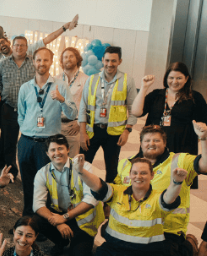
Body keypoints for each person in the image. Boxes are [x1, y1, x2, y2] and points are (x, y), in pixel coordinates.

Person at [77, 153, 185, 256]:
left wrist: (176, 182)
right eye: (135, 172)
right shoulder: (118, 191)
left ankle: (184, 253)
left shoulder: (157, 197)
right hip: (112, 250)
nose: (138, 176)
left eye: (143, 173)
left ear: (152, 175)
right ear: (130, 174)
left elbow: (169, 198)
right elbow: (97, 184)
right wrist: (81, 171)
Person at [114, 123, 207, 256]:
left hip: (167, 232)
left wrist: (203, 139)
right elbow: (116, 194)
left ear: (165, 143)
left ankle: (187, 248)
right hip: (135, 228)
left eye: (156, 141)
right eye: (147, 140)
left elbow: (204, 166)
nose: (151, 144)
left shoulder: (179, 161)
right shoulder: (126, 164)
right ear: (141, 143)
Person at [0, 19, 78, 174]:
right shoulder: (3, 64)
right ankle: (10, 168)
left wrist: (64, 27)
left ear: (28, 48)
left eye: (22, 45)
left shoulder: (33, 61)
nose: (19, 48)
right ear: (13, 47)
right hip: (8, 107)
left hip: (33, 108)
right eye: (16, 45)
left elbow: (48, 39)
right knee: (9, 140)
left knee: (30, 138)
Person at [16, 47, 77, 215]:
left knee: (47, 185)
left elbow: (73, 113)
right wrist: (28, 131)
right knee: (27, 183)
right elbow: (21, 115)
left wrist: (62, 100)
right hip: (27, 142)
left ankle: (44, 222)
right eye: (38, 60)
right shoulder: (26, 88)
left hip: (49, 144)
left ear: (51, 62)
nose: (41, 63)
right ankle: (28, 219)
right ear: (34, 62)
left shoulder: (60, 86)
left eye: (45, 60)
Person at [33, 134, 103, 256]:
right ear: (47, 153)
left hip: (82, 219)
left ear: (68, 150)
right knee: (35, 220)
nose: (57, 153)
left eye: (60, 148)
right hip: (60, 215)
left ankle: (82, 239)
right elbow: (37, 204)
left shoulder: (84, 167)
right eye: (53, 150)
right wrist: (58, 223)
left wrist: (64, 217)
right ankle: (61, 240)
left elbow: (91, 199)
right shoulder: (43, 172)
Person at [77, 45, 137, 182]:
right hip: (92, 130)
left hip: (114, 132)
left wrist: (127, 131)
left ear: (120, 61)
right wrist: (82, 132)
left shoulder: (128, 80)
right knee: (83, 166)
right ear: (103, 60)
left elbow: (133, 109)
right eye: (107, 60)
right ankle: (81, 196)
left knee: (112, 169)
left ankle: (109, 201)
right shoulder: (92, 80)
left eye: (114, 61)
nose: (110, 64)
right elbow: (83, 106)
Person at [131, 63, 207, 156]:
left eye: (179, 78)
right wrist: (144, 88)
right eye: (171, 78)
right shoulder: (156, 95)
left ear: (186, 79)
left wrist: (201, 129)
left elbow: (204, 121)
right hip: (154, 145)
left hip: (183, 147)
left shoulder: (195, 97)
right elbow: (136, 112)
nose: (174, 82)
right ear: (166, 78)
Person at [57, 47, 89, 157]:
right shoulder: (55, 79)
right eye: (65, 57)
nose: (68, 59)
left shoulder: (86, 80)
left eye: (71, 56)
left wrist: (80, 123)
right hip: (56, 126)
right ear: (62, 61)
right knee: (56, 159)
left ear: (77, 59)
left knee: (72, 162)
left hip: (74, 127)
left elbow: (89, 105)